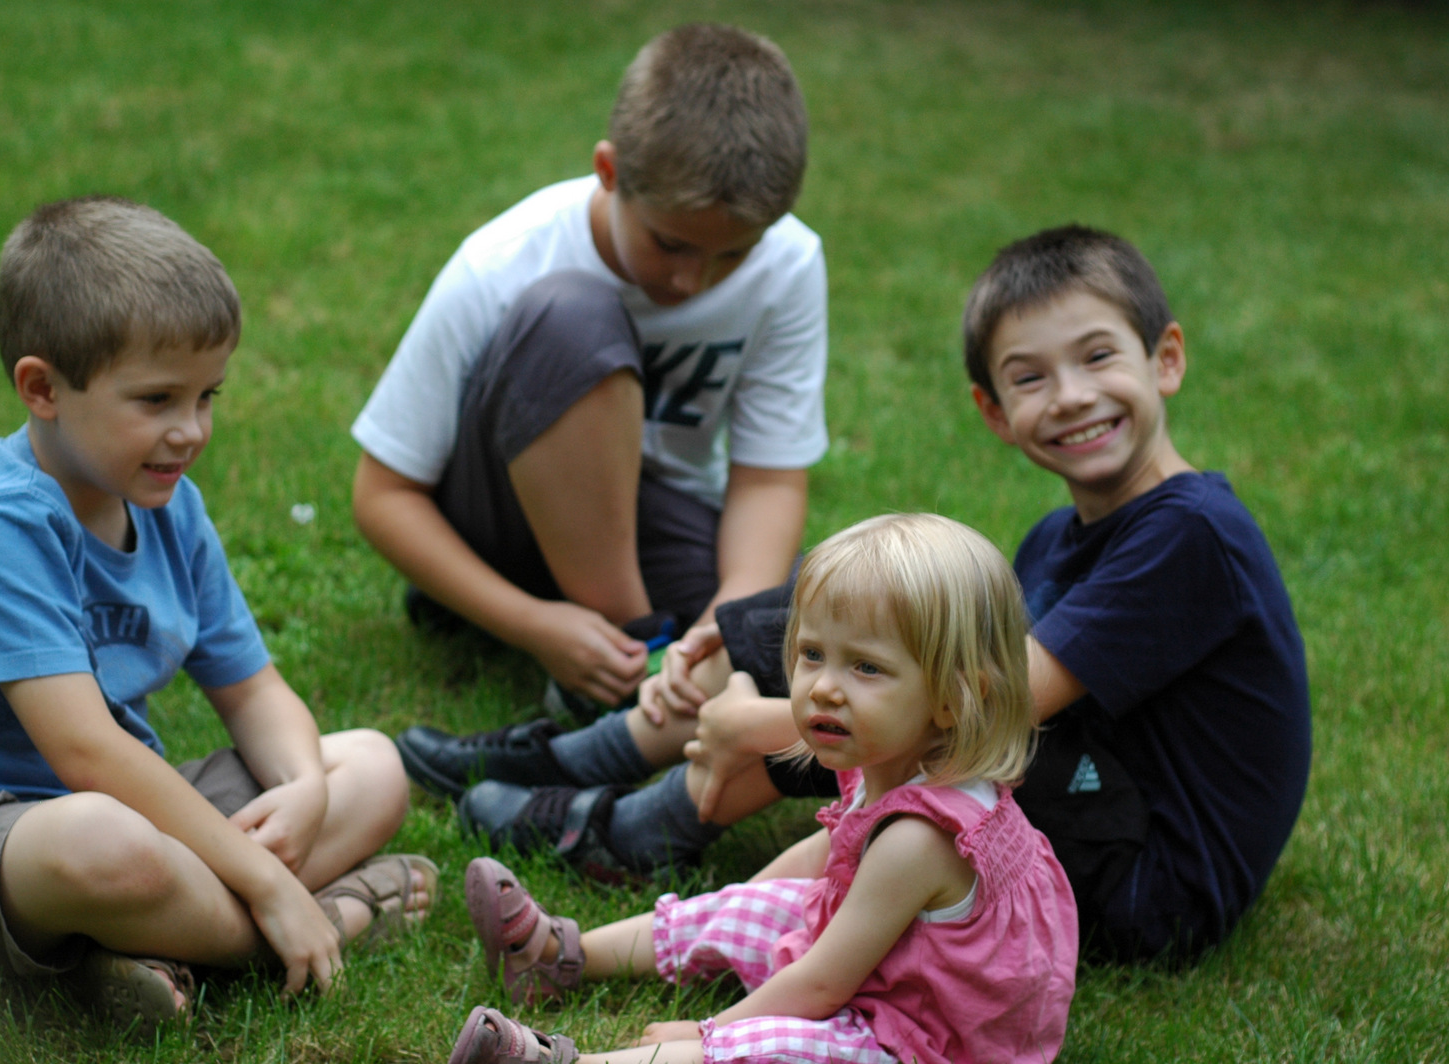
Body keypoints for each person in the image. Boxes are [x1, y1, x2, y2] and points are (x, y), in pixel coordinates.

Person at [422, 225, 1313, 964]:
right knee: (876, 614)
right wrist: (761, 649)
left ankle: (630, 815)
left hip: (1151, 887)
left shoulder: (1193, 532)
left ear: (1166, 359)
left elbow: (985, 709)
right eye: (1030, 376)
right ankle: (595, 768)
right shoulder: (1055, 538)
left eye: (1097, 357)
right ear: (994, 411)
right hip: (1092, 809)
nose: (1072, 396)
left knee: (910, 698)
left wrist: (755, 723)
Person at [0, 196, 435, 1029]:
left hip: (127, 809)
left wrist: (304, 792)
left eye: (207, 395)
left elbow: (253, 691)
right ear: (42, 388)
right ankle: (329, 916)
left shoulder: (171, 507)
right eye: (156, 400)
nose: (190, 431)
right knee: (98, 843)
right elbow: (86, 751)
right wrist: (264, 878)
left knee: (371, 766)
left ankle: (140, 949)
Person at [447, 515, 1077, 1064]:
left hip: (923, 1042)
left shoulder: (921, 839)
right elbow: (824, 857)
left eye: (866, 666)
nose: (823, 687)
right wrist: (734, 907)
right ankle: (557, 953)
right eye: (812, 654)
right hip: (899, 969)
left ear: (953, 697)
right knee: (766, 905)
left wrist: (710, 1029)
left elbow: (822, 985)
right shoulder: (892, 761)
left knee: (772, 1046)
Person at [354, 23, 827, 721]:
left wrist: (725, 625)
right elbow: (383, 495)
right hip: (501, 524)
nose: (693, 281)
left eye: (733, 255)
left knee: (812, 612)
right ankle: (629, 657)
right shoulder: (505, 263)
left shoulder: (789, 264)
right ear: (609, 171)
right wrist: (531, 625)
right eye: (670, 244)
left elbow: (769, 479)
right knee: (571, 320)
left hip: (651, 518)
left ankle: (647, 669)